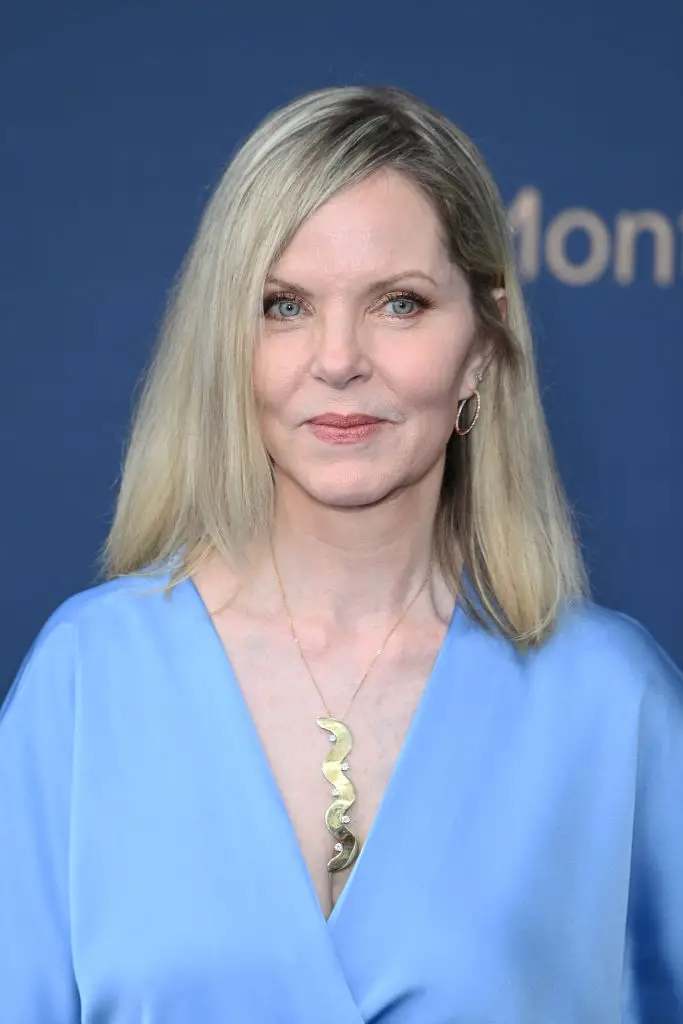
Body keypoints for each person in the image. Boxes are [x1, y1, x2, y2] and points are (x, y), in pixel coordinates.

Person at [0, 84, 681, 1024]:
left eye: (398, 303)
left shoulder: (612, 701)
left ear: (479, 348)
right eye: (284, 305)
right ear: (228, 345)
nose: (337, 359)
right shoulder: (86, 684)